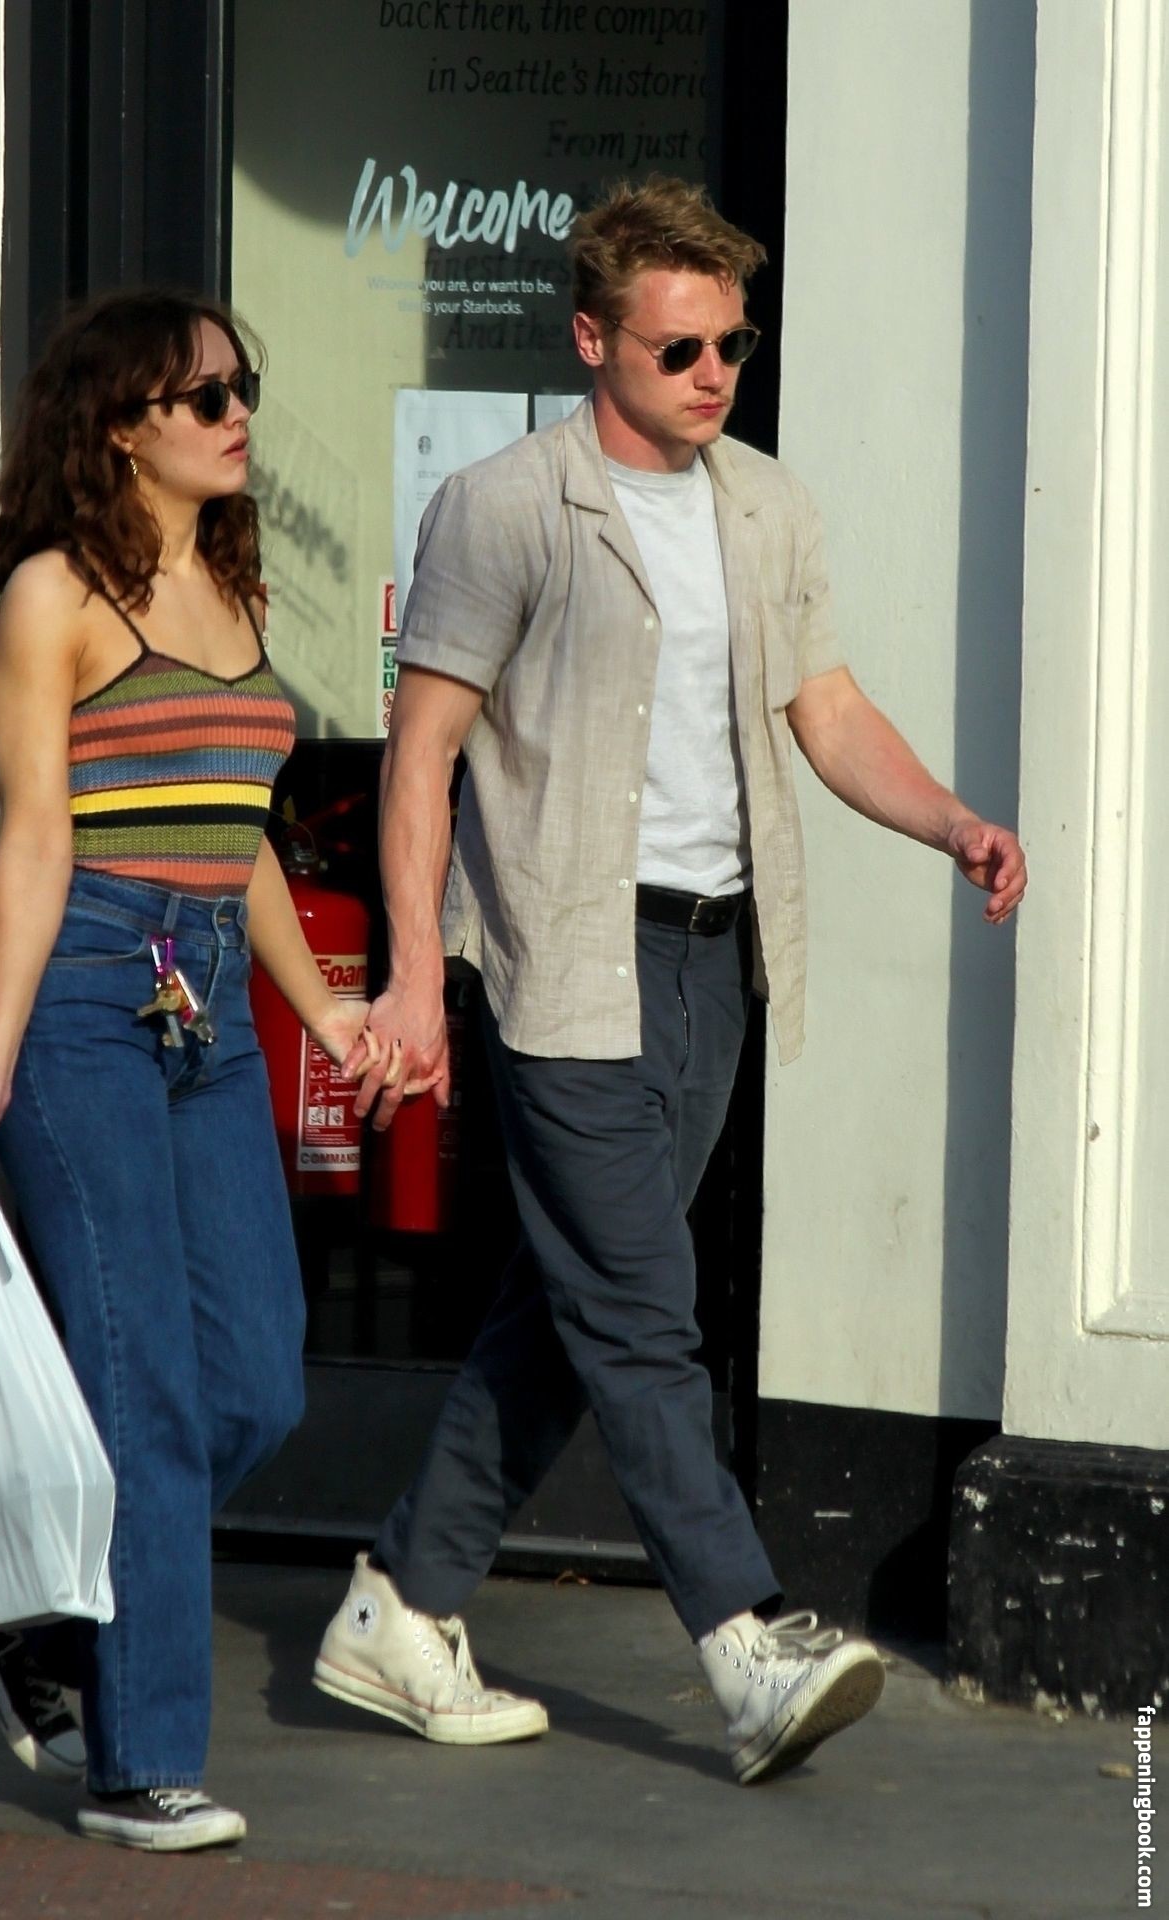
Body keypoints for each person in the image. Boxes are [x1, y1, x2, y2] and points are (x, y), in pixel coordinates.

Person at [313, 177, 1028, 1785]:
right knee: (641, 1311)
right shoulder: (506, 507)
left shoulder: (765, 507)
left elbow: (823, 706)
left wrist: (952, 823)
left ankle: (400, 1606)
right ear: (594, 341)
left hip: (716, 959)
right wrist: (419, 981)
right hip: (565, 953)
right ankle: (745, 1638)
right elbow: (420, 758)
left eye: (733, 346)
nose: (714, 375)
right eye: (680, 348)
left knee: (566, 1306)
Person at [0, 290, 377, 1850]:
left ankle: (50, 1628)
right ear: (123, 426)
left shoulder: (234, 582)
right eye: (205, 397)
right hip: (86, 1007)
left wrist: (327, 1018)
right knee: (150, 1400)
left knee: (257, 1376)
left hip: (210, 1007)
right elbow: (34, 843)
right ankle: (140, 1766)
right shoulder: (54, 595)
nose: (239, 414)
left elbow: (237, 836)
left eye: (244, 386)